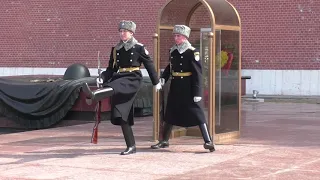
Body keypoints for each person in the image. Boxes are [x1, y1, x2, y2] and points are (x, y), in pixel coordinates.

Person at [82, 20, 162, 155]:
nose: (122, 33)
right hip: (119, 77)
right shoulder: (116, 49)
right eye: (120, 31)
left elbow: (149, 65)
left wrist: (156, 82)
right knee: (121, 114)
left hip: (132, 78)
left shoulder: (139, 48)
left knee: (114, 86)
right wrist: (102, 77)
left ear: (131, 33)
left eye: (124, 31)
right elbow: (110, 69)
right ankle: (131, 146)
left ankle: (94, 95)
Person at [151, 25, 215, 152]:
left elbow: (197, 73)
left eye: (178, 36)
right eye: (174, 35)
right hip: (175, 86)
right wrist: (163, 78)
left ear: (185, 37)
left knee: (198, 114)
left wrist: (197, 92)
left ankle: (208, 141)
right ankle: (164, 141)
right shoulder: (173, 51)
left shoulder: (192, 51)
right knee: (170, 113)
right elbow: (170, 67)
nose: (175, 38)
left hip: (189, 87)